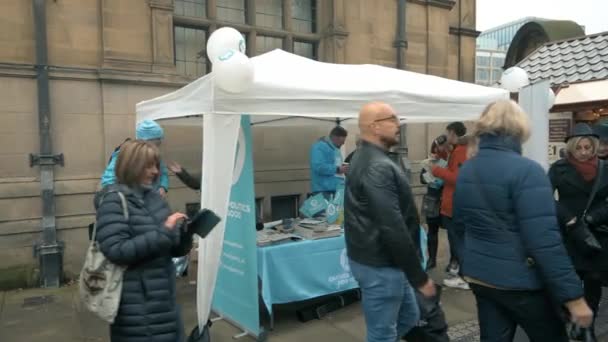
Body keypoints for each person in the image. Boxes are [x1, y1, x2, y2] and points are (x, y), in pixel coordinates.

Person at [453, 100, 592, 341]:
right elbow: (545, 241)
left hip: (480, 276)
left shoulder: (468, 168)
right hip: (521, 282)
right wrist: (574, 297)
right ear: (520, 128)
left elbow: (460, 224)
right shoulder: (528, 171)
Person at [345, 102, 435, 342]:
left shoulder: (367, 157)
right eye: (392, 119)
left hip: (385, 263)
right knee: (382, 334)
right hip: (381, 267)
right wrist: (419, 277)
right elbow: (391, 226)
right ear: (375, 127)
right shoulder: (377, 165)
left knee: (408, 317)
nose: (398, 124)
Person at [94, 140, 194, 342]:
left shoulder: (155, 198)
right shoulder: (113, 201)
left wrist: (185, 234)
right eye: (148, 165)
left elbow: (170, 248)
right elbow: (116, 251)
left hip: (164, 300)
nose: (155, 171)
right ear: (131, 165)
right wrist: (164, 232)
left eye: (156, 165)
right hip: (136, 305)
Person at [549, 122, 608, 339]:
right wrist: (569, 219)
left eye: (588, 147)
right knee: (569, 280)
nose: (584, 152)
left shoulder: (605, 168)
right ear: (572, 147)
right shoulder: (558, 168)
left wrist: (594, 217)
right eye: (579, 147)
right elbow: (546, 199)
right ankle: (571, 317)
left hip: (596, 234)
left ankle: (588, 326)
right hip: (569, 234)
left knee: (593, 282)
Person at [431, 121, 469, 289]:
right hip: (454, 202)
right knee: (457, 241)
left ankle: (464, 277)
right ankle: (461, 272)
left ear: (453, 133)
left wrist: (436, 170)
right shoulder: (458, 151)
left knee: (457, 242)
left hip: (455, 203)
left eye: (447, 134)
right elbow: (452, 166)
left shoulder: (462, 151)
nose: (446, 137)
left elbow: (456, 177)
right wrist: (442, 154)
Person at [101, 120, 170, 198]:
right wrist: (121, 198)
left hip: (152, 199)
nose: (157, 145)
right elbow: (108, 180)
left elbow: (162, 172)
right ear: (143, 141)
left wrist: (163, 186)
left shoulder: (155, 154)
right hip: (132, 200)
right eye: (155, 141)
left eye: (159, 141)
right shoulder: (126, 153)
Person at [419, 135, 449, 270]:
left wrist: (444, 181)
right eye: (437, 147)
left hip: (447, 199)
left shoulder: (450, 160)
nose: (439, 150)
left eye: (442, 147)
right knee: (432, 231)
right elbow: (421, 178)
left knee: (452, 232)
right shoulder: (428, 161)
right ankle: (432, 259)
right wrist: (429, 179)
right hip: (432, 199)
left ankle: (454, 262)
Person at [309, 126, 348, 199]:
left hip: (336, 190)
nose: (343, 143)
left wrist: (344, 169)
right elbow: (318, 167)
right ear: (335, 138)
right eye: (342, 141)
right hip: (323, 191)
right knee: (325, 211)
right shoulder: (319, 147)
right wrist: (338, 169)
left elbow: (336, 166)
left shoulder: (335, 149)